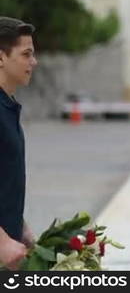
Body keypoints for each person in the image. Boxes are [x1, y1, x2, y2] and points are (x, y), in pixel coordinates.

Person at [0, 17, 38, 270]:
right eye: (26, 54)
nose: (33, 62)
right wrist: (2, 241)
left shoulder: (7, 106)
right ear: (1, 58)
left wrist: (19, 226)